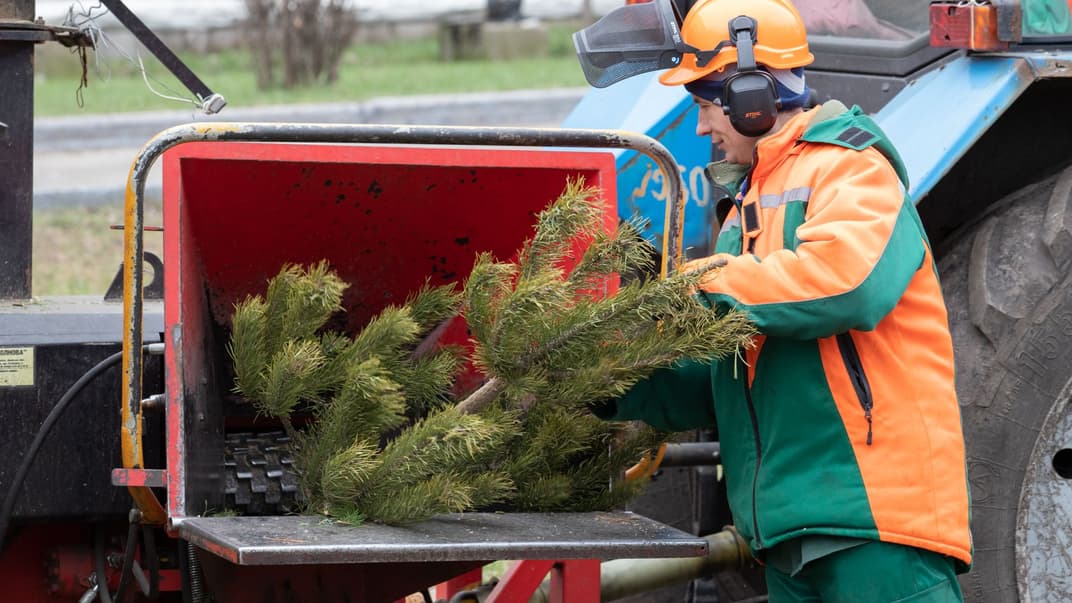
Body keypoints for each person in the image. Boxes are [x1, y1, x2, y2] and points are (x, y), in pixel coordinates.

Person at [592, 0, 973, 600]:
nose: (699, 128)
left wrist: (694, 284)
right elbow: (725, 371)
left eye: (703, 105)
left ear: (752, 94)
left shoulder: (851, 170)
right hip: (789, 534)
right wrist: (606, 379)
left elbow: (845, 284)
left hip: (872, 523)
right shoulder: (744, 210)